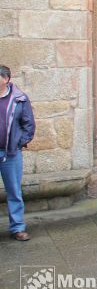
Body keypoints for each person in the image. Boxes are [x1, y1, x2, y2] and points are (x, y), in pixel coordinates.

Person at [0, 65, 35, 241]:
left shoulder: (19, 98)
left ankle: (18, 228)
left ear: (6, 79)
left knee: (14, 191)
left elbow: (28, 124)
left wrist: (18, 143)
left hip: (10, 153)